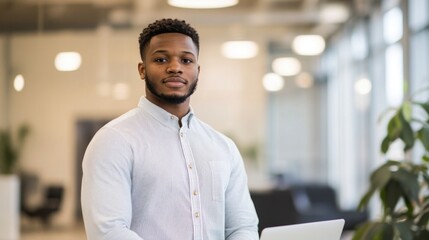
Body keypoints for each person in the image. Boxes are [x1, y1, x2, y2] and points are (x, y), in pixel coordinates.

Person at [81, 18, 259, 240]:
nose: (175, 67)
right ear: (142, 70)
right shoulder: (113, 141)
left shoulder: (223, 147)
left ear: (198, 70)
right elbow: (109, 231)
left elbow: (242, 228)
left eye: (186, 60)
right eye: (161, 59)